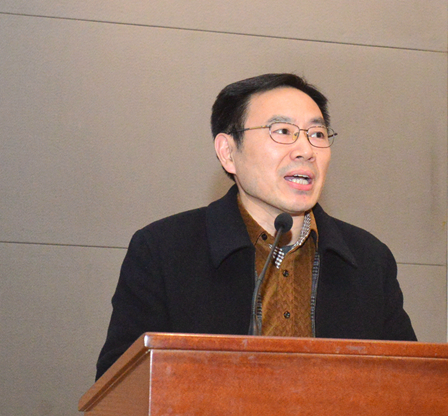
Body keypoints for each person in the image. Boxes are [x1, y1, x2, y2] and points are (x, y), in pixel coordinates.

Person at [95, 73, 416, 380]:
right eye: (283, 131)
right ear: (228, 152)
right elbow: (121, 390)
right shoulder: (164, 251)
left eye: (317, 134)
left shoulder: (369, 260)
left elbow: (411, 386)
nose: (306, 150)